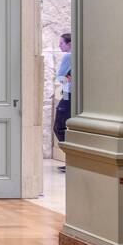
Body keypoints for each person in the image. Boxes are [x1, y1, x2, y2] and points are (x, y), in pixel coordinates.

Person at [53, 33, 72, 169]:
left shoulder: (68, 56)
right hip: (69, 93)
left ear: (69, 43)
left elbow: (60, 77)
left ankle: (71, 159)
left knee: (59, 127)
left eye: (61, 43)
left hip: (68, 94)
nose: (59, 45)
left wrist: (65, 77)